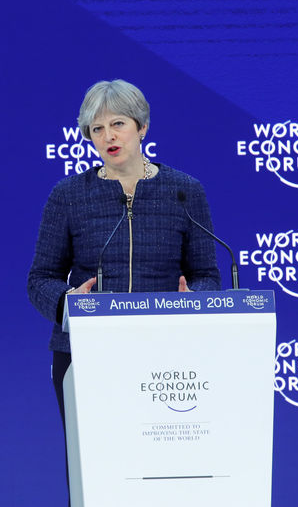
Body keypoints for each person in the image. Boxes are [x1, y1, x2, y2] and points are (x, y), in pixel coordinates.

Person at [26, 79, 221, 498]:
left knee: (161, 476)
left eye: (118, 124)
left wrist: (197, 300)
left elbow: (208, 273)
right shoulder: (69, 196)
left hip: (169, 355)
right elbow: (40, 278)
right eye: (97, 129)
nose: (108, 136)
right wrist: (67, 302)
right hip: (84, 353)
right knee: (94, 475)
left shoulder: (184, 191)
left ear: (142, 127)